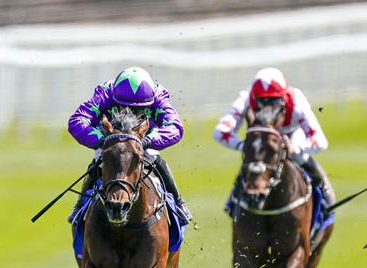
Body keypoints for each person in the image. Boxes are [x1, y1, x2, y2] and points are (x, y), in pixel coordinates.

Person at [67, 66, 192, 223]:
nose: (131, 111)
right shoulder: (105, 93)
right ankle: (80, 205)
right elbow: (78, 121)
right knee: (98, 161)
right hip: (112, 140)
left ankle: (179, 202)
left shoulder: (158, 96)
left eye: (138, 109)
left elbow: (175, 126)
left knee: (155, 158)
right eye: (126, 106)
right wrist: (102, 140)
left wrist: (147, 141)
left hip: (141, 139)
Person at [213, 67, 334, 213]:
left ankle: (325, 196)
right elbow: (220, 132)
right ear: (254, 98)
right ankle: (234, 201)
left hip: (290, 137)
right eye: (262, 101)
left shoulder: (296, 101)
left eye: (273, 101)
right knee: (252, 160)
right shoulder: (245, 99)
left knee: (301, 157)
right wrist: (244, 146)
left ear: (283, 98)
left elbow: (320, 141)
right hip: (262, 144)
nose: (267, 107)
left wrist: (295, 149)